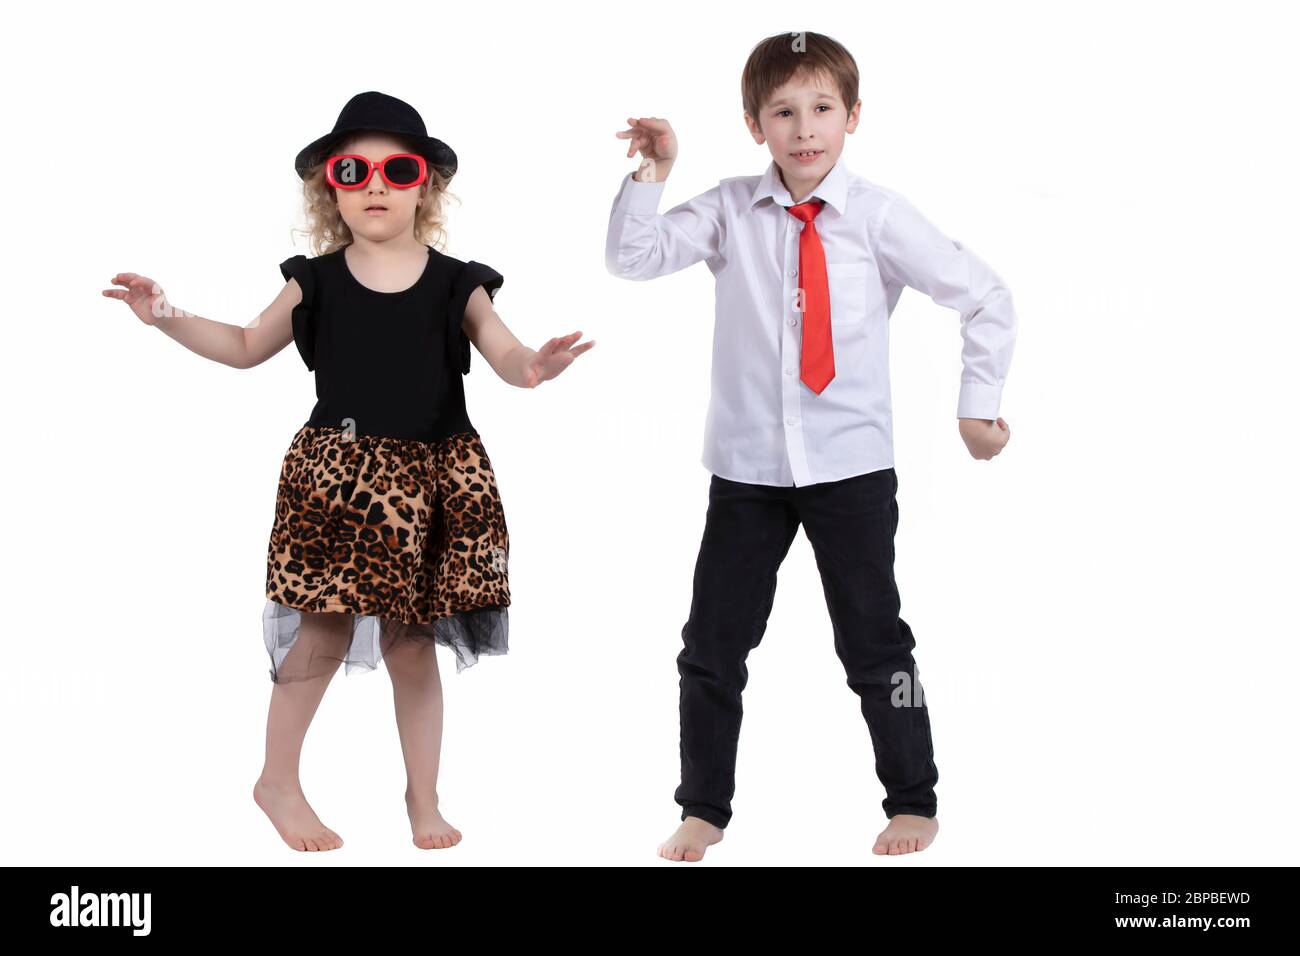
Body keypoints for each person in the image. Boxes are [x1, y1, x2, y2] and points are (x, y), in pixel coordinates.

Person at [103, 91, 594, 852]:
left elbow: (506, 354)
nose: (374, 183)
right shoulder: (317, 280)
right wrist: (166, 314)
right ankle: (277, 781)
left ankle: (422, 798)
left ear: (424, 185)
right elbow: (241, 344)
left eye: (396, 169)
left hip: (433, 485)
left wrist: (539, 366)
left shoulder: (457, 281)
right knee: (321, 634)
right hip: (339, 485)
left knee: (412, 647)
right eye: (352, 168)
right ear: (328, 185)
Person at [606, 33, 1016, 861]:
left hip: (851, 468)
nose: (804, 129)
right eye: (783, 112)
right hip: (747, 471)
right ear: (755, 124)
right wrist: (653, 175)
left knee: (876, 643)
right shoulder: (727, 209)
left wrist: (977, 408)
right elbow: (632, 257)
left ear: (853, 116)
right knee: (711, 647)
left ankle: (914, 797)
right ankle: (703, 808)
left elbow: (984, 295)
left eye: (822, 108)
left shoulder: (880, 217)